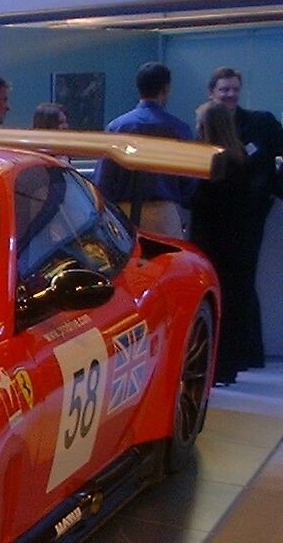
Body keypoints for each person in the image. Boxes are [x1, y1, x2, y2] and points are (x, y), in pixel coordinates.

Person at [204, 66, 283, 371]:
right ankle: (231, 355)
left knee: (242, 281)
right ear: (212, 92)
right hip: (221, 217)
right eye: (224, 89)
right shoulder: (207, 126)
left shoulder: (260, 123)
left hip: (250, 215)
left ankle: (243, 353)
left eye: (234, 88)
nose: (230, 94)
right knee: (230, 281)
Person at [190, 101, 258, 386]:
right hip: (236, 242)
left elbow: (199, 201)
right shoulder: (240, 158)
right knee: (231, 301)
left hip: (210, 241)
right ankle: (227, 367)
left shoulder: (210, 161)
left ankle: (210, 367)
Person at [92, 62, 193, 238]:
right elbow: (189, 183)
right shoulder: (179, 129)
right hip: (164, 215)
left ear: (138, 88)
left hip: (123, 214)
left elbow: (103, 180)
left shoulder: (117, 127)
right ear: (166, 88)